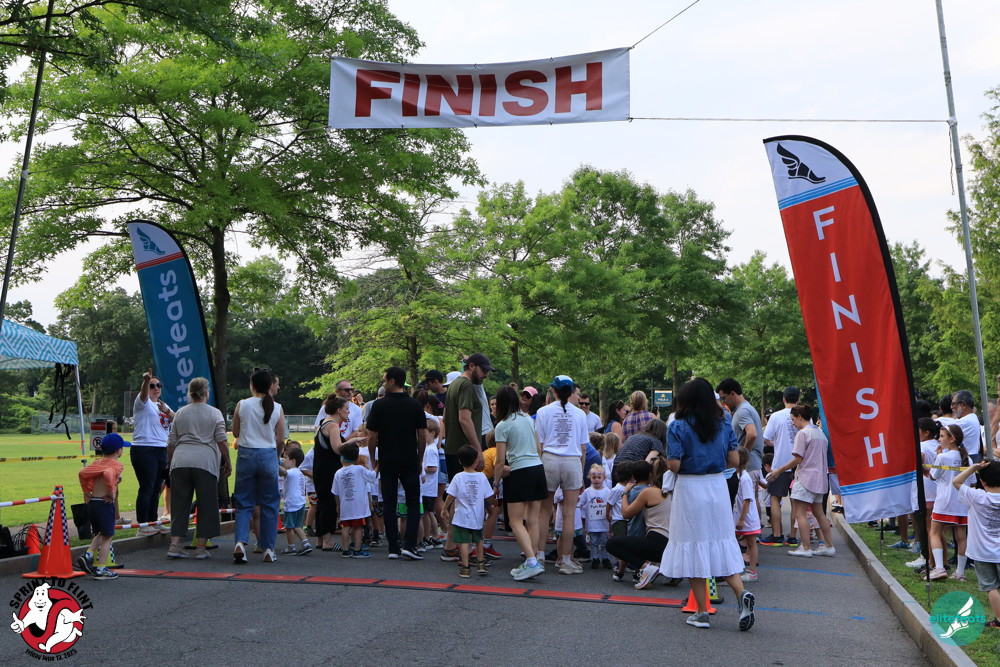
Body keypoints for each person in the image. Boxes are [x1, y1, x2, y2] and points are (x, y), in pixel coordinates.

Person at [660, 377, 755, 632]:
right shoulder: (723, 422)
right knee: (720, 542)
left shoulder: (677, 425)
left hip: (690, 488)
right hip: (717, 486)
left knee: (693, 546)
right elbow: (734, 460)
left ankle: (702, 612)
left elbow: (674, 465)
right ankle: (741, 592)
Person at [367, 365, 428, 560]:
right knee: (412, 503)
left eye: (385, 380)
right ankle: (410, 544)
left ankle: (393, 546)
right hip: (409, 457)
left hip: (388, 458)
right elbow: (422, 436)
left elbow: (372, 436)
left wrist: (373, 459)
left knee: (389, 503)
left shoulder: (379, 405)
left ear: (392, 381)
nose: (383, 383)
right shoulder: (415, 405)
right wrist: (419, 458)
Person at [165, 377, 230, 560]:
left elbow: (171, 443)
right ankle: (201, 547)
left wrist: (171, 463)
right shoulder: (215, 413)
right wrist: (227, 461)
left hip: (180, 461)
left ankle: (175, 544)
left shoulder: (180, 413)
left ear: (190, 393)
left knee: (179, 505)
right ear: (206, 393)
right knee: (207, 505)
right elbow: (221, 440)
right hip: (205, 462)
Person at [535, 375, 590, 575]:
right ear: (572, 391)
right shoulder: (580, 414)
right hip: (572, 461)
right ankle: (566, 560)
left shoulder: (543, 411)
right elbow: (583, 447)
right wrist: (581, 473)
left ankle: (539, 557)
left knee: (544, 512)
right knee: (569, 514)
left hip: (549, 459)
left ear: (554, 390)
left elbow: (539, 444)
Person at [440, 353, 492, 561]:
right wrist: (478, 450)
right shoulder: (466, 386)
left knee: (459, 501)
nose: (486, 374)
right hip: (464, 451)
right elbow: (464, 418)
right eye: (484, 370)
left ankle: (452, 547)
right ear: (471, 366)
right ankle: (456, 548)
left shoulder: (454, 384)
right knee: (466, 503)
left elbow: (446, 417)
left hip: (454, 448)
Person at [231, 369, 285, 564]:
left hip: (246, 453)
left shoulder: (242, 404)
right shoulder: (277, 407)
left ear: (252, 385)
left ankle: (240, 542)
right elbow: (280, 439)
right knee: (269, 504)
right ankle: (268, 548)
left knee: (244, 503)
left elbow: (235, 432)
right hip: (268, 454)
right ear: (270, 386)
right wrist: (275, 457)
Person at [493, 385, 546, 580]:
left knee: (515, 521)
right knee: (533, 519)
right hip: (537, 469)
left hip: (520, 471)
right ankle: (534, 558)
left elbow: (500, 461)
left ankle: (531, 561)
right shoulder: (528, 418)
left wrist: (496, 483)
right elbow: (539, 448)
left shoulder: (503, 425)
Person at [767, 404, 834, 558]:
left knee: (800, 513)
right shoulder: (820, 434)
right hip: (820, 479)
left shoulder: (803, 434)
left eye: (793, 419)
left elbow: (798, 458)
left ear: (799, 417)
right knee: (819, 513)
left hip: (805, 478)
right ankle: (829, 546)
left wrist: (778, 470)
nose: (792, 423)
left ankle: (805, 547)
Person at [613, 457, 672, 589]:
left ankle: (645, 567)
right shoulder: (674, 491)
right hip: (673, 544)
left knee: (612, 544)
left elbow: (626, 513)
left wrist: (625, 493)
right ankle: (673, 575)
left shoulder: (649, 492)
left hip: (657, 542)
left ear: (651, 475)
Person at [953, 459, 1000, 627]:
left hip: (981, 552)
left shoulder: (976, 496)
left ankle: (999, 619)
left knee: (990, 587)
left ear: (982, 482)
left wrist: (973, 468)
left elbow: (956, 481)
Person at [314, 396, 363, 551]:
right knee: (328, 503)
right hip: (328, 469)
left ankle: (321, 539)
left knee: (322, 502)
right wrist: (353, 441)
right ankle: (327, 541)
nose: (349, 412)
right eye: (347, 409)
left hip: (320, 468)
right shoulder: (333, 425)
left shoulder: (324, 422)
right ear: (339, 410)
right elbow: (338, 449)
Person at [77, 433, 127, 580]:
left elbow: (82, 473)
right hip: (105, 503)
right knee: (108, 536)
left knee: (100, 532)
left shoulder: (97, 463)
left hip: (94, 501)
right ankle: (101, 569)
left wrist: (86, 492)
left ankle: (88, 554)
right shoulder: (116, 465)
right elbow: (108, 473)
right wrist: (111, 494)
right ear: (118, 450)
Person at [928, 423, 974, 581]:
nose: (939, 439)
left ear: (952, 439)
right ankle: (960, 572)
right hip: (962, 503)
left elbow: (932, 476)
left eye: (942, 436)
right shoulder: (968, 459)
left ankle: (939, 568)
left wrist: (937, 456)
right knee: (961, 537)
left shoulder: (942, 457)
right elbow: (973, 482)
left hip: (944, 502)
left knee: (934, 532)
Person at [132, 369, 174, 536]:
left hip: (161, 449)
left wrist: (167, 411)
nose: (156, 388)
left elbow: (177, 419)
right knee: (147, 487)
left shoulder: (163, 405)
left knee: (157, 487)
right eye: (152, 386)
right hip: (144, 448)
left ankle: (153, 522)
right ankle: (143, 525)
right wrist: (145, 381)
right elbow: (143, 394)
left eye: (159, 385)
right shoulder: (142, 402)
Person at [443, 445, 495, 578]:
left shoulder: (458, 477)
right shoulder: (482, 477)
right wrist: (494, 503)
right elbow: (489, 496)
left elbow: (451, 495)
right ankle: (481, 564)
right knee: (478, 540)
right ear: (476, 461)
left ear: (459, 461)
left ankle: (465, 568)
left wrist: (444, 508)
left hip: (461, 516)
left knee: (464, 542)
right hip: (477, 516)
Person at [716, 378, 764, 517]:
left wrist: (742, 456)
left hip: (748, 464)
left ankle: (750, 529)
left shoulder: (742, 411)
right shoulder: (747, 408)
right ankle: (756, 529)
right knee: (753, 501)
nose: (724, 402)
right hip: (754, 463)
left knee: (745, 503)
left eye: (724, 398)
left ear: (733, 393)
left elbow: (752, 434)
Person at [760, 386, 800, 547]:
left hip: (780, 464)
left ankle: (777, 534)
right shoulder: (804, 416)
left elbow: (766, 438)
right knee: (796, 500)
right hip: (799, 464)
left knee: (775, 498)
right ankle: (793, 536)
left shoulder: (776, 416)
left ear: (784, 399)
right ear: (798, 399)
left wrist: (777, 444)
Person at [333, 443, 379, 558]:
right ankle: (357, 550)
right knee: (357, 527)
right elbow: (372, 476)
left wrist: (338, 505)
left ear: (342, 457)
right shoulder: (360, 469)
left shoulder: (338, 473)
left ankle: (345, 549)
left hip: (345, 505)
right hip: (358, 506)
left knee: (345, 527)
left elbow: (335, 492)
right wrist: (377, 467)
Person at [733, 448, 761, 581]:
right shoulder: (735, 475)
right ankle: (734, 569)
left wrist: (742, 519)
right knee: (733, 542)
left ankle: (752, 571)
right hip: (737, 516)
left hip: (746, 517)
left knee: (751, 542)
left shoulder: (744, 478)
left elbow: (747, 500)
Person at [578, 464, 613, 569]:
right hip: (592, 522)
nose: (596, 480)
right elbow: (580, 502)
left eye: (599, 477)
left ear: (604, 478)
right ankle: (595, 558)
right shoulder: (587, 492)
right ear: (590, 478)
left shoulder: (608, 491)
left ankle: (605, 558)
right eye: (594, 477)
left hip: (604, 522)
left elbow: (611, 505)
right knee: (593, 542)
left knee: (604, 542)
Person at [612, 418, 667, 484]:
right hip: (632, 471)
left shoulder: (633, 436)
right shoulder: (656, 442)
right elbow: (647, 463)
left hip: (616, 468)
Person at [279, 447, 312, 555]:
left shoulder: (291, 472)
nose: (283, 460)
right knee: (297, 525)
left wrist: (274, 462)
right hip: (300, 503)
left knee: (289, 527)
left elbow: (282, 471)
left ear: (293, 461)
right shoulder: (299, 472)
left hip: (292, 504)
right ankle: (306, 544)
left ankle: (291, 547)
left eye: (285, 458)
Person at [953, 390, 984, 462]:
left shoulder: (964, 421)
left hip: (966, 459)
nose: (951, 407)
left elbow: (947, 439)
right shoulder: (972, 417)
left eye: (953, 404)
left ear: (963, 405)